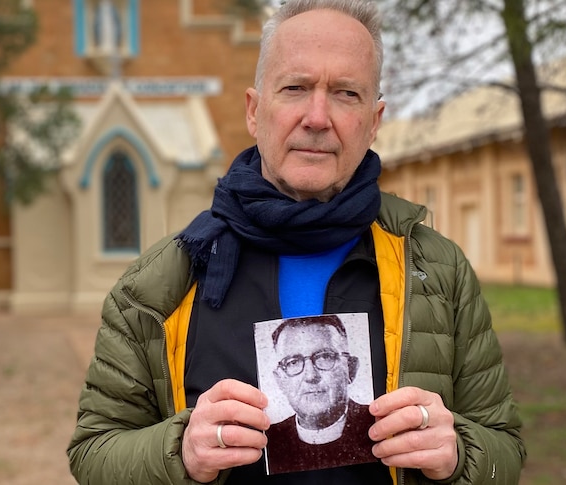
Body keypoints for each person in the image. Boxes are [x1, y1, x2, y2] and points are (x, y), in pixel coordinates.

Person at [67, 0, 526, 484]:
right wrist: (180, 449)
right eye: (295, 88)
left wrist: (457, 453)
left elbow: (504, 447)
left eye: (346, 93)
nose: (317, 116)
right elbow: (94, 450)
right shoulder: (158, 285)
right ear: (254, 110)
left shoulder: (438, 271)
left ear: (374, 121)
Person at [264, 315, 377, 474]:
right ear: (280, 381)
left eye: (325, 357)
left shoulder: (379, 425)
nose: (311, 376)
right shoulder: (268, 440)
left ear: (351, 369)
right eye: (293, 362)